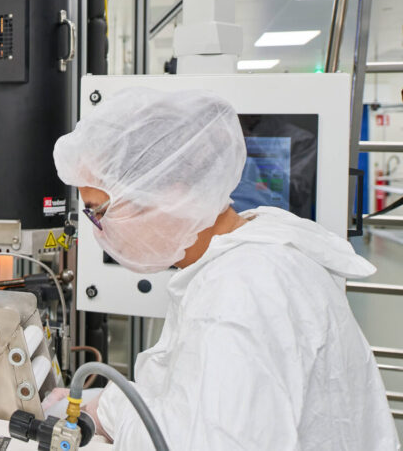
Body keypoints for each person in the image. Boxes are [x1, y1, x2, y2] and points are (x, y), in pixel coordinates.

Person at [52, 87, 400, 450]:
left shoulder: (242, 292)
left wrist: (113, 411)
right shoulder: (251, 252)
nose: (98, 231)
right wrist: (109, 406)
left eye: (100, 211)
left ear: (171, 195)